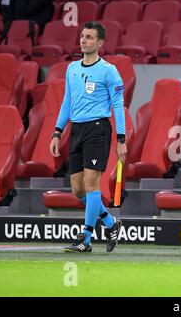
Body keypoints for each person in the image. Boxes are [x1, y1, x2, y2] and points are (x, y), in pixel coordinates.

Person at [49, 21, 126, 253]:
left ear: (100, 43)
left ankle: (86, 239)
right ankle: (111, 223)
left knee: (92, 184)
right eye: (82, 36)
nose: (83, 40)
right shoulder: (72, 68)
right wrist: (57, 132)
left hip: (97, 129)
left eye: (89, 37)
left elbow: (119, 105)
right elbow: (67, 103)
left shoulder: (109, 70)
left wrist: (121, 139)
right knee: (78, 190)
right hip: (77, 130)